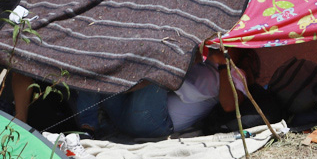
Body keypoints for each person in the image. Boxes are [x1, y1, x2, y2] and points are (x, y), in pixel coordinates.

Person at [70, 48, 250, 138]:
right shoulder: (204, 61)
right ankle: (88, 130)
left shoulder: (235, 73)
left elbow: (229, 105)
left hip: (155, 123)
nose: (222, 45)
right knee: (101, 62)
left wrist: (225, 64)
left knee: (158, 69)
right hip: (127, 114)